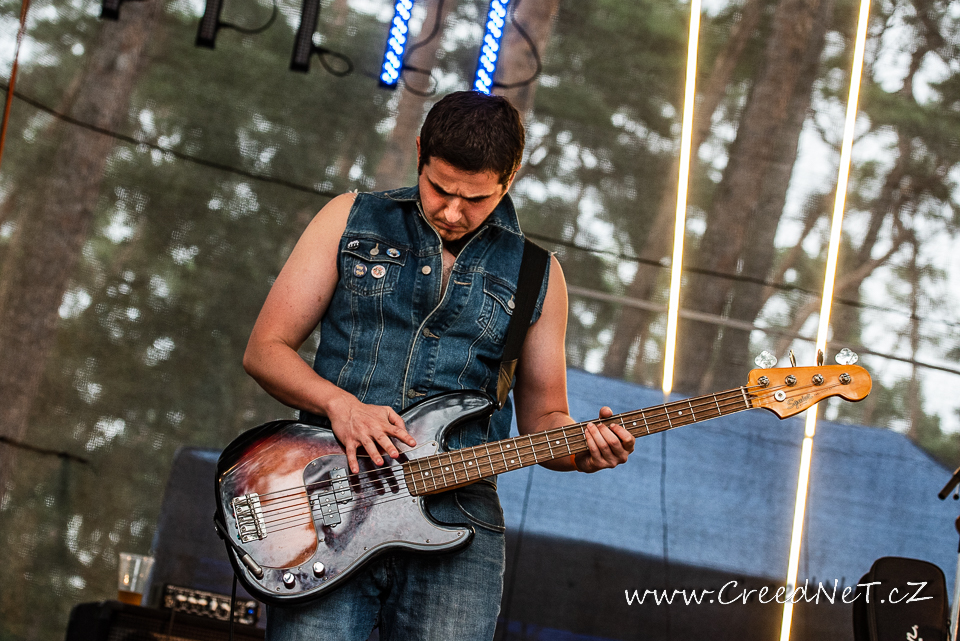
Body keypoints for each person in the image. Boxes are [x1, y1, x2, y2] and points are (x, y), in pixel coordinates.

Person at [242, 91, 635, 641]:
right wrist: (341, 405)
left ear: (510, 179)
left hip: (460, 519)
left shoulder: (539, 274)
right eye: (440, 188)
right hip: (329, 497)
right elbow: (265, 350)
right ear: (420, 153)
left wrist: (583, 451)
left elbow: (545, 420)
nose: (452, 211)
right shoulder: (350, 218)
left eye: (475, 198)